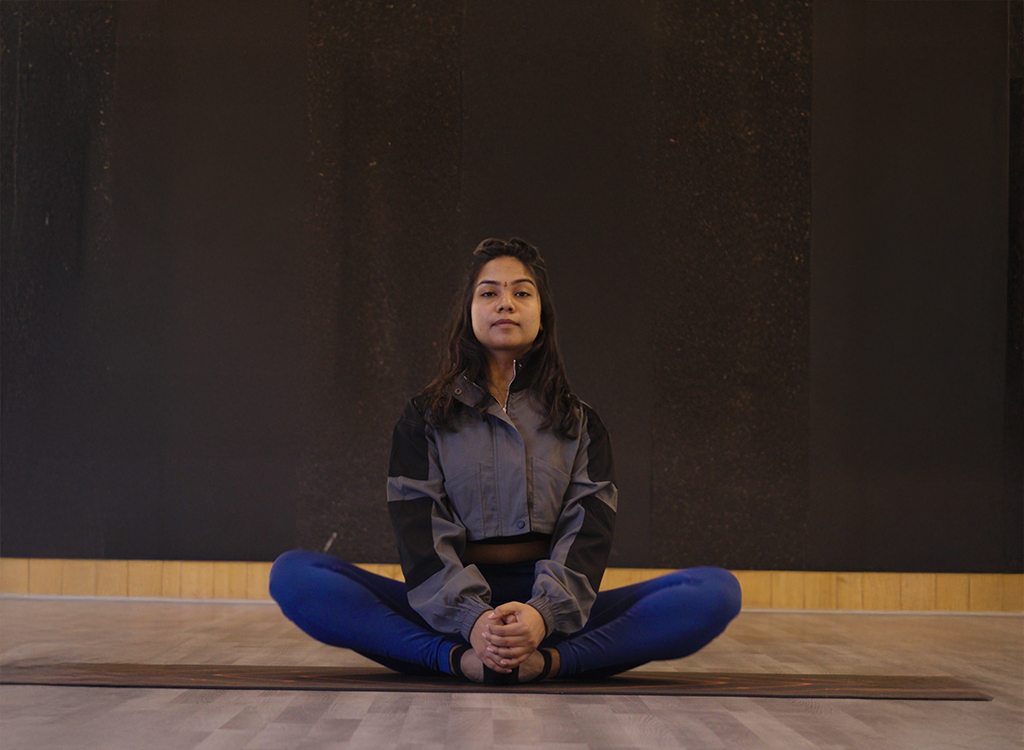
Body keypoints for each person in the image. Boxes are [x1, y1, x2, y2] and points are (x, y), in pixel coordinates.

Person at [270, 238, 741, 683]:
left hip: (555, 616)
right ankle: (462, 661)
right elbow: (418, 532)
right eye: (489, 292)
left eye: (522, 292)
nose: (505, 303)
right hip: (445, 615)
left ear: (543, 315)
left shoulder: (582, 423)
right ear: (468, 312)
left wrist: (541, 615)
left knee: (715, 593)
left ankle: (546, 663)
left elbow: (588, 533)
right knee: (295, 577)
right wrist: (473, 621)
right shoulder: (424, 418)